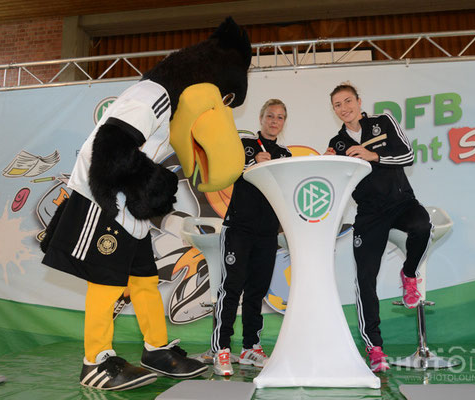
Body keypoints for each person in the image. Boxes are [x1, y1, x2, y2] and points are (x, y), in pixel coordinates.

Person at [40, 18, 252, 390]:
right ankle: (95, 360)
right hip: (104, 200)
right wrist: (149, 185)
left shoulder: (174, 110)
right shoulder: (153, 95)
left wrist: (152, 191)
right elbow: (109, 147)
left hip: (130, 212)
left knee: (145, 281)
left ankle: (155, 348)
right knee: (107, 281)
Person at [325, 82, 432, 372]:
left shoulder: (383, 122)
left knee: (423, 225)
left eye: (348, 101)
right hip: (369, 214)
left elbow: (408, 156)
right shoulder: (337, 143)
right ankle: (375, 347)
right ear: (333, 110)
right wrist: (330, 165)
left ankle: (409, 273)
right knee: (365, 279)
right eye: (337, 104)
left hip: (400, 203)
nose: (344, 108)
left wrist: (375, 156)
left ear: (359, 101)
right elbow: (336, 181)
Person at [210, 99, 292, 376]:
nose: (274, 121)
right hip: (239, 229)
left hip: (267, 233)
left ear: (284, 123)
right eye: (270, 116)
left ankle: (249, 348)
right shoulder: (244, 145)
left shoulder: (285, 155)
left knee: (257, 292)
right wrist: (251, 162)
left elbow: (287, 190)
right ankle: (221, 349)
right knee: (231, 289)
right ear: (261, 118)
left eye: (280, 118)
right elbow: (226, 169)